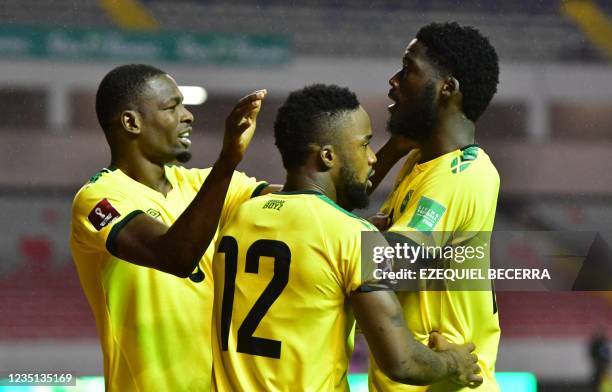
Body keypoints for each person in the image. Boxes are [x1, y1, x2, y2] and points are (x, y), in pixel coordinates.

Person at [210, 84, 483, 391]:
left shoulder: (240, 216)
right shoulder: (352, 235)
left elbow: (308, 235)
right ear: (327, 156)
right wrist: (454, 362)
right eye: (364, 145)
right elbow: (402, 362)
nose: (372, 158)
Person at [70, 64, 277, 391]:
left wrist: (390, 147)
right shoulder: (98, 200)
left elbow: (311, 203)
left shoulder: (200, 185)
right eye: (172, 107)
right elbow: (175, 257)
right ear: (131, 122)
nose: (188, 116)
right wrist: (227, 161)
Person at [367, 22, 502, 391]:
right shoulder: (420, 163)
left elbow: (382, 266)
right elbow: (347, 196)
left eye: (409, 69)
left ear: (448, 88)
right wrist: (395, 147)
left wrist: (355, 233)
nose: (394, 80)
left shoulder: (461, 174)